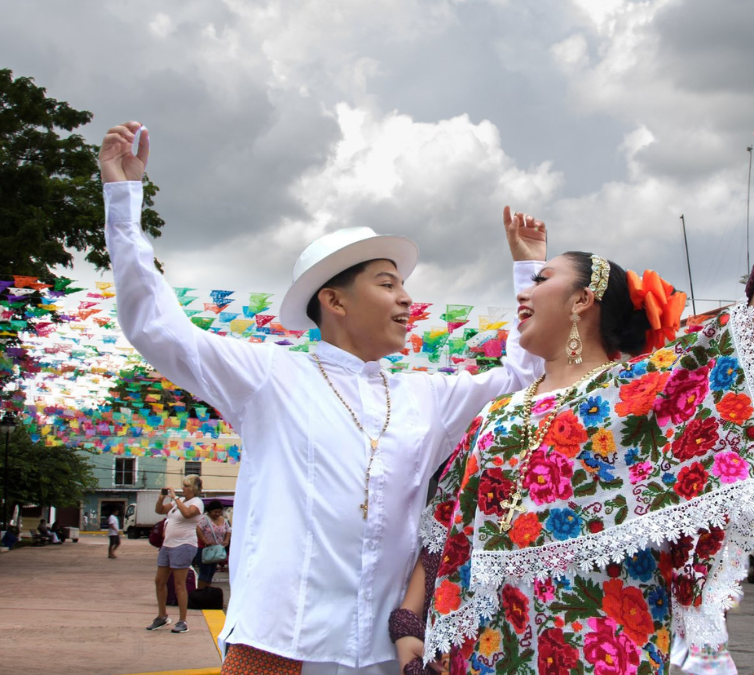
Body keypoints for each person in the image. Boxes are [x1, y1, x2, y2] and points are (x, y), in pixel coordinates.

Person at [391, 111, 754, 674]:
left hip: (606, 651)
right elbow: (445, 527)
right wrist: (409, 623)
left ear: (582, 300)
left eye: (541, 281)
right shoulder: (496, 415)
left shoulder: (635, 394)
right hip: (492, 657)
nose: (524, 291)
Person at [99, 121, 545, 674]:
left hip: (392, 647)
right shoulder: (270, 377)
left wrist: (529, 270)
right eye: (387, 284)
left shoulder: (427, 396)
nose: (407, 300)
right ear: (333, 299)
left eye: (403, 286)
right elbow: (156, 328)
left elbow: (524, 380)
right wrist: (123, 201)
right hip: (284, 643)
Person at [147, 475, 205, 633]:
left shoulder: (197, 502)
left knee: (179, 584)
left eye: (186, 486)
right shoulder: (178, 501)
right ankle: (162, 616)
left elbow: (187, 514)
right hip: (168, 545)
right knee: (159, 581)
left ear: (193, 488)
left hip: (184, 545)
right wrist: (161, 499)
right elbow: (159, 511)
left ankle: (183, 621)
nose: (183, 488)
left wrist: (175, 498)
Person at [196, 501, 231, 589]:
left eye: (219, 512)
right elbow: (198, 530)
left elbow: (228, 530)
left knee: (211, 572)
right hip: (205, 549)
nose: (217, 514)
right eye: (215, 512)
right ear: (210, 511)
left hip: (216, 549)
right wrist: (205, 541)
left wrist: (226, 540)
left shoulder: (223, 519)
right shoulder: (204, 519)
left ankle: (207, 593)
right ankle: (200, 593)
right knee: (204, 571)